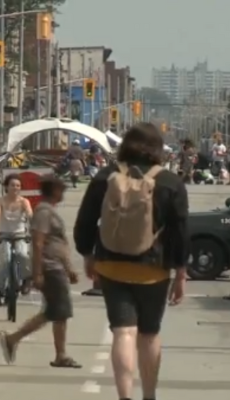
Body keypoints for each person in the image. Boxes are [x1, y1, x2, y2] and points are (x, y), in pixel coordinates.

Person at [73, 122, 189, 400]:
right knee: (149, 334)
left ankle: (124, 396)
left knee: (123, 332)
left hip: (111, 265)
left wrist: (88, 254)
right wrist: (181, 272)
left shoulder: (105, 177)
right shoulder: (170, 183)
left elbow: (85, 221)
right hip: (154, 269)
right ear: (158, 149)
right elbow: (181, 231)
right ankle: (149, 394)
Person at [0, 175, 81, 368]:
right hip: (50, 267)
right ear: (54, 191)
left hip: (57, 266)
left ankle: (14, 339)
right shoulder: (43, 212)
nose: (63, 194)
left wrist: (69, 268)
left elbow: (59, 244)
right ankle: (58, 354)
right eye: (61, 190)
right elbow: (38, 242)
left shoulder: (49, 211)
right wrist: (37, 273)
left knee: (54, 312)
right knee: (59, 312)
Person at [0, 173, 33, 307]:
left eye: (18, 186)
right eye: (12, 185)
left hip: (20, 235)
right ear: (6, 187)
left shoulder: (24, 202)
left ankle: (26, 279)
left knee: (22, 255)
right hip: (4, 235)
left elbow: (30, 216)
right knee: (5, 261)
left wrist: (35, 229)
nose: (15, 188)